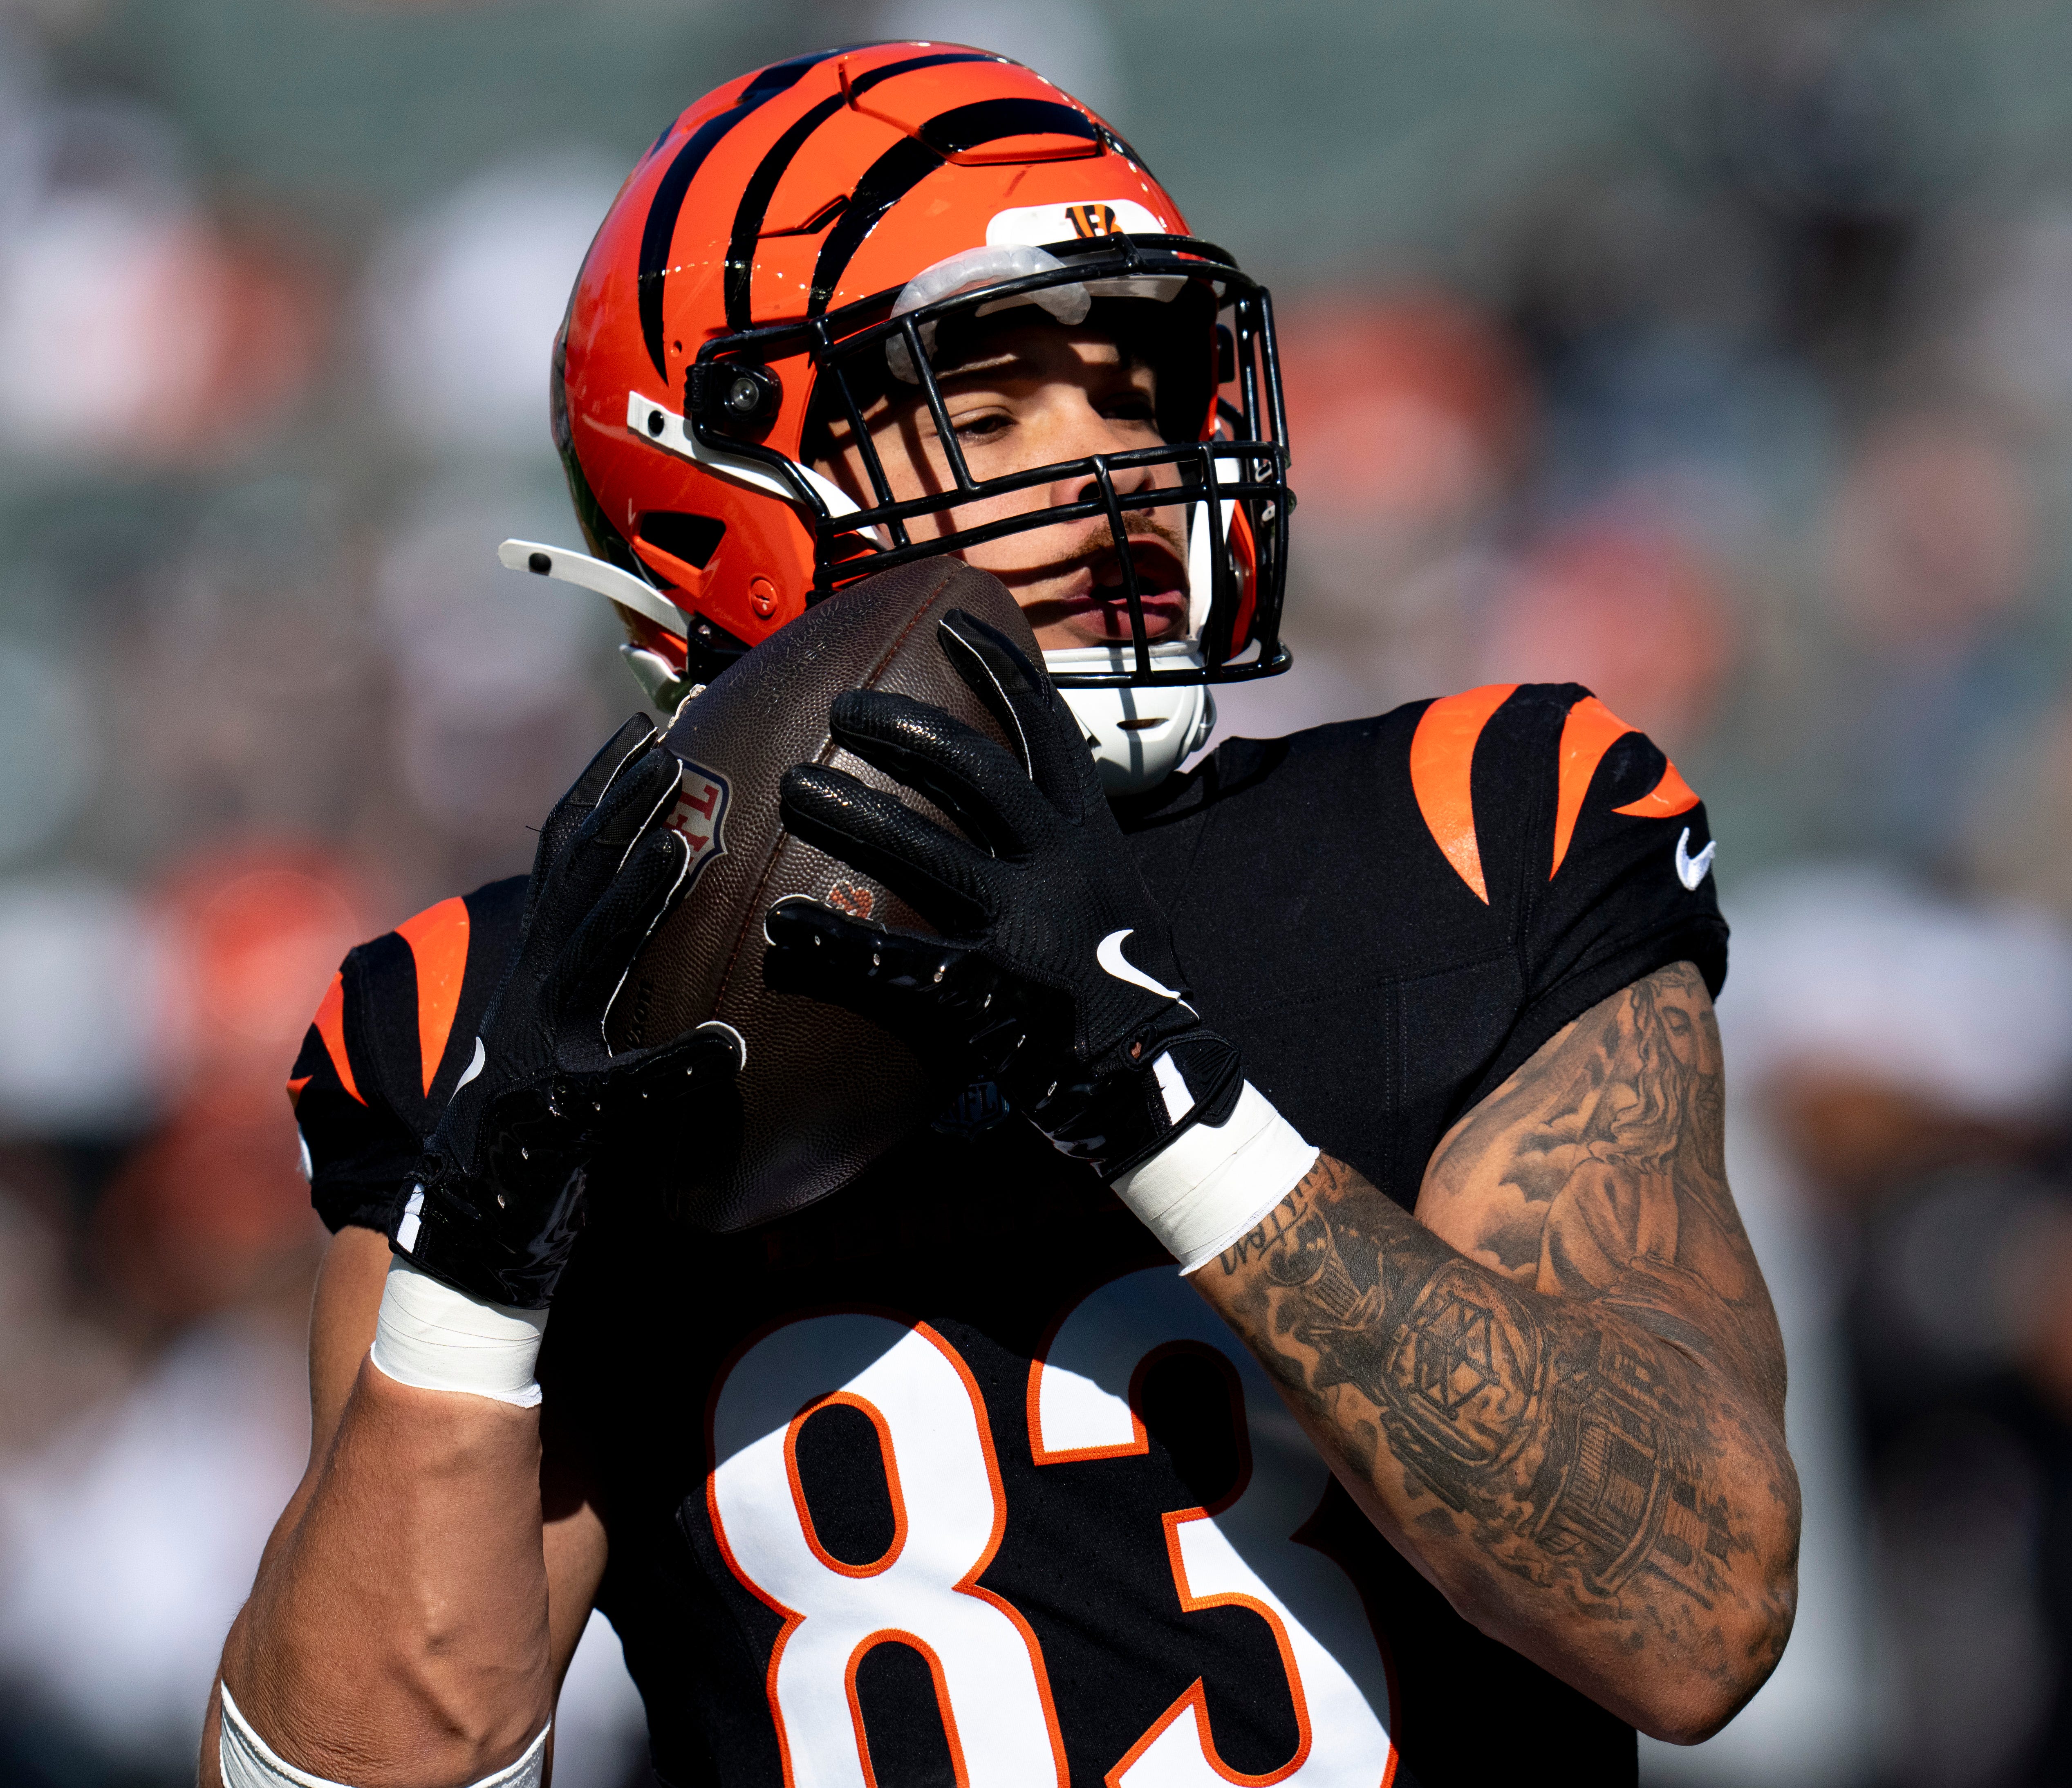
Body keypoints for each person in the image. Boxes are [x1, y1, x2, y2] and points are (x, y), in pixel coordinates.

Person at [204, 43, 1796, 1788]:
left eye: (1141, 392)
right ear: (718, 480)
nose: (1122, 473)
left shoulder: (1471, 821)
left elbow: (1692, 1614)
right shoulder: (512, 998)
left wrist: (1159, 1102)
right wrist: (476, 1273)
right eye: (992, 405)